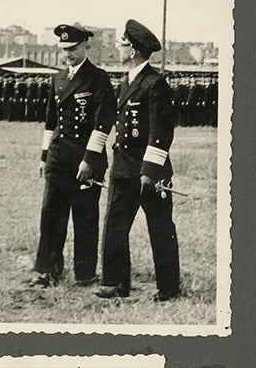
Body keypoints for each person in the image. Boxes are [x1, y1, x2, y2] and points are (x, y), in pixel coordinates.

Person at [96, 19, 181, 302]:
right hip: (123, 168)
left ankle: (168, 288)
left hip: (149, 173)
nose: (118, 48)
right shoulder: (125, 82)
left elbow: (161, 132)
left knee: (160, 228)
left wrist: (149, 172)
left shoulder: (155, 83)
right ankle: (116, 282)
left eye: (122, 44)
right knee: (115, 225)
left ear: (132, 50)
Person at [30, 24, 115, 288]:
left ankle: (85, 273)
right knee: (51, 215)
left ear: (86, 48)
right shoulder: (58, 78)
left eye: (73, 49)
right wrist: (45, 156)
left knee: (85, 218)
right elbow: (49, 121)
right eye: (64, 49)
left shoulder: (98, 78)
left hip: (84, 160)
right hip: (58, 158)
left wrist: (90, 160)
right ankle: (47, 270)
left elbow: (103, 123)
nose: (68, 54)